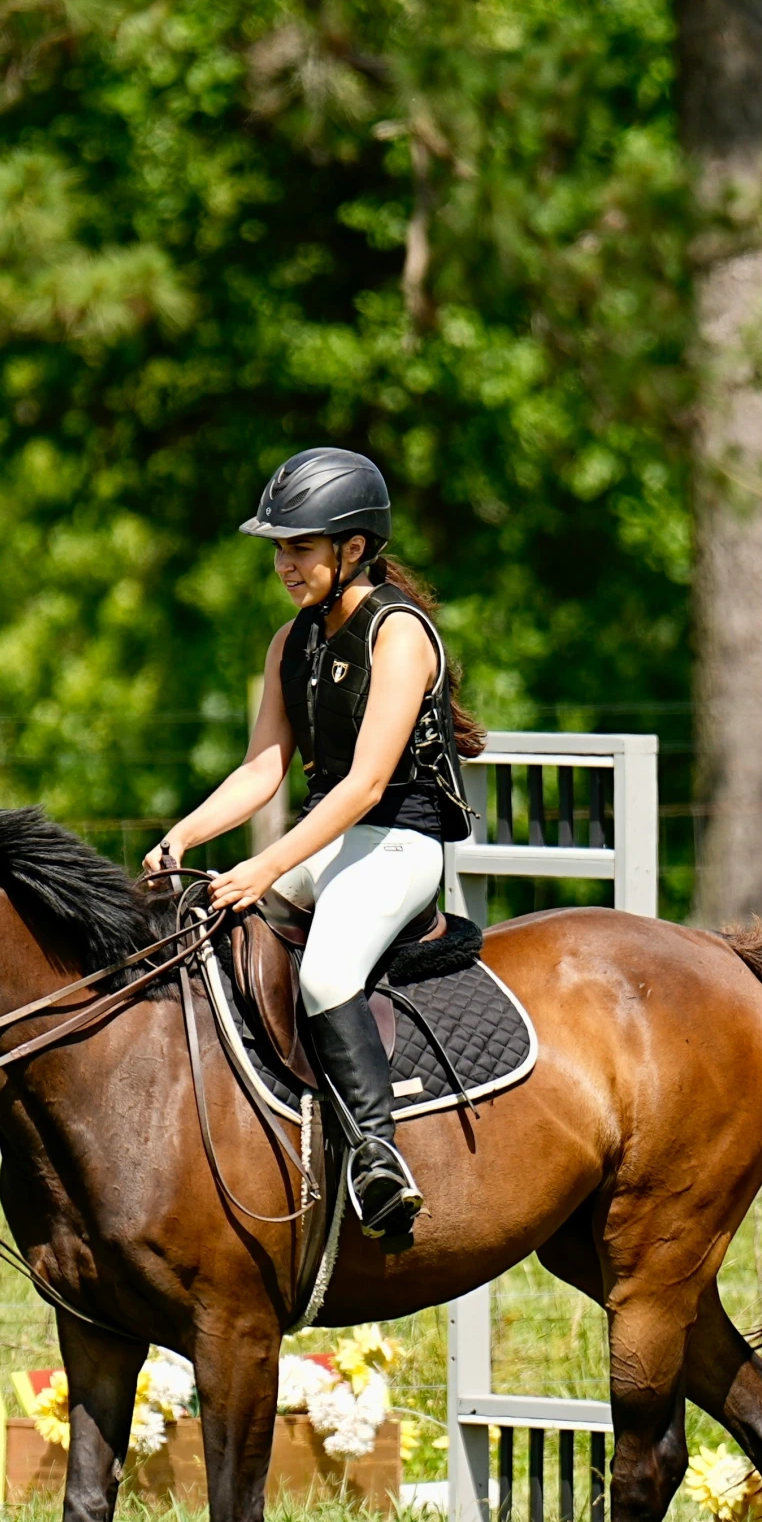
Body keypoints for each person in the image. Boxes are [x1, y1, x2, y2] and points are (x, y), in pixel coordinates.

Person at [144, 446, 482, 1242]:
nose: (283, 564)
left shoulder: (399, 635)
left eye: (299, 546)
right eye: (278, 547)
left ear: (354, 547)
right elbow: (263, 767)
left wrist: (264, 865)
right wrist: (184, 835)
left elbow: (366, 785)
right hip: (328, 842)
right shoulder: (289, 641)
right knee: (206, 931)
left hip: (399, 841)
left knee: (329, 968)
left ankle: (377, 1156)